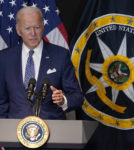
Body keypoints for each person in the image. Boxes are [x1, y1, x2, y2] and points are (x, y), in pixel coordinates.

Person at [0, 6, 83, 143]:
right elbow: (1, 102)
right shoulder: (4, 58)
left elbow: (77, 96)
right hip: (14, 138)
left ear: (43, 27)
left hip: (53, 137)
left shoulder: (60, 56)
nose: (33, 33)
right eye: (27, 28)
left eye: (37, 27)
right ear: (18, 30)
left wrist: (63, 100)